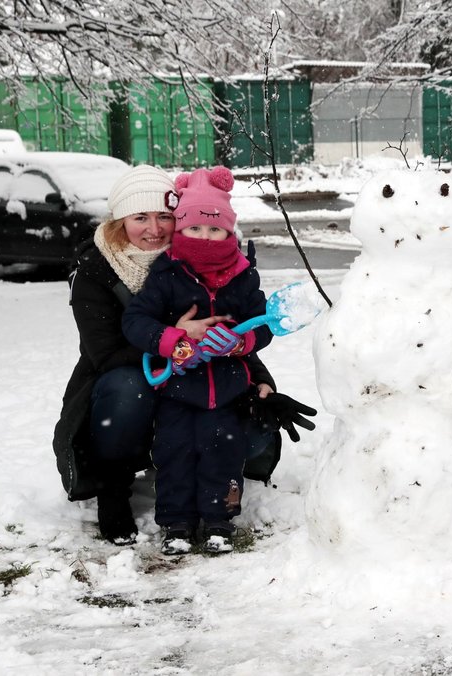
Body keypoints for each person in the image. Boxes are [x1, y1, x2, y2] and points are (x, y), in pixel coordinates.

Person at [52, 164, 314, 548]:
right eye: (140, 217)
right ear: (120, 220)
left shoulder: (205, 261)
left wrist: (258, 378)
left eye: (164, 217)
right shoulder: (97, 268)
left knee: (244, 429)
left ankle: (214, 506)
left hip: (201, 378)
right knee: (130, 389)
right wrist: (176, 342)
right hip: (125, 377)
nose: (155, 229)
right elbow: (106, 352)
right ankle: (114, 486)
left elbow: (235, 322)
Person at [121, 166, 276, 555]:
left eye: (214, 230)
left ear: (229, 232)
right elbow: (136, 320)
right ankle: (176, 523)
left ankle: (219, 520)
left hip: (226, 388)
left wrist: (241, 342)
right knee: (174, 449)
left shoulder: (242, 275)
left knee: (223, 448)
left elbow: (265, 324)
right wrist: (171, 339)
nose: (204, 237)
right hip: (178, 387)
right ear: (181, 230)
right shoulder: (167, 273)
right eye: (194, 229)